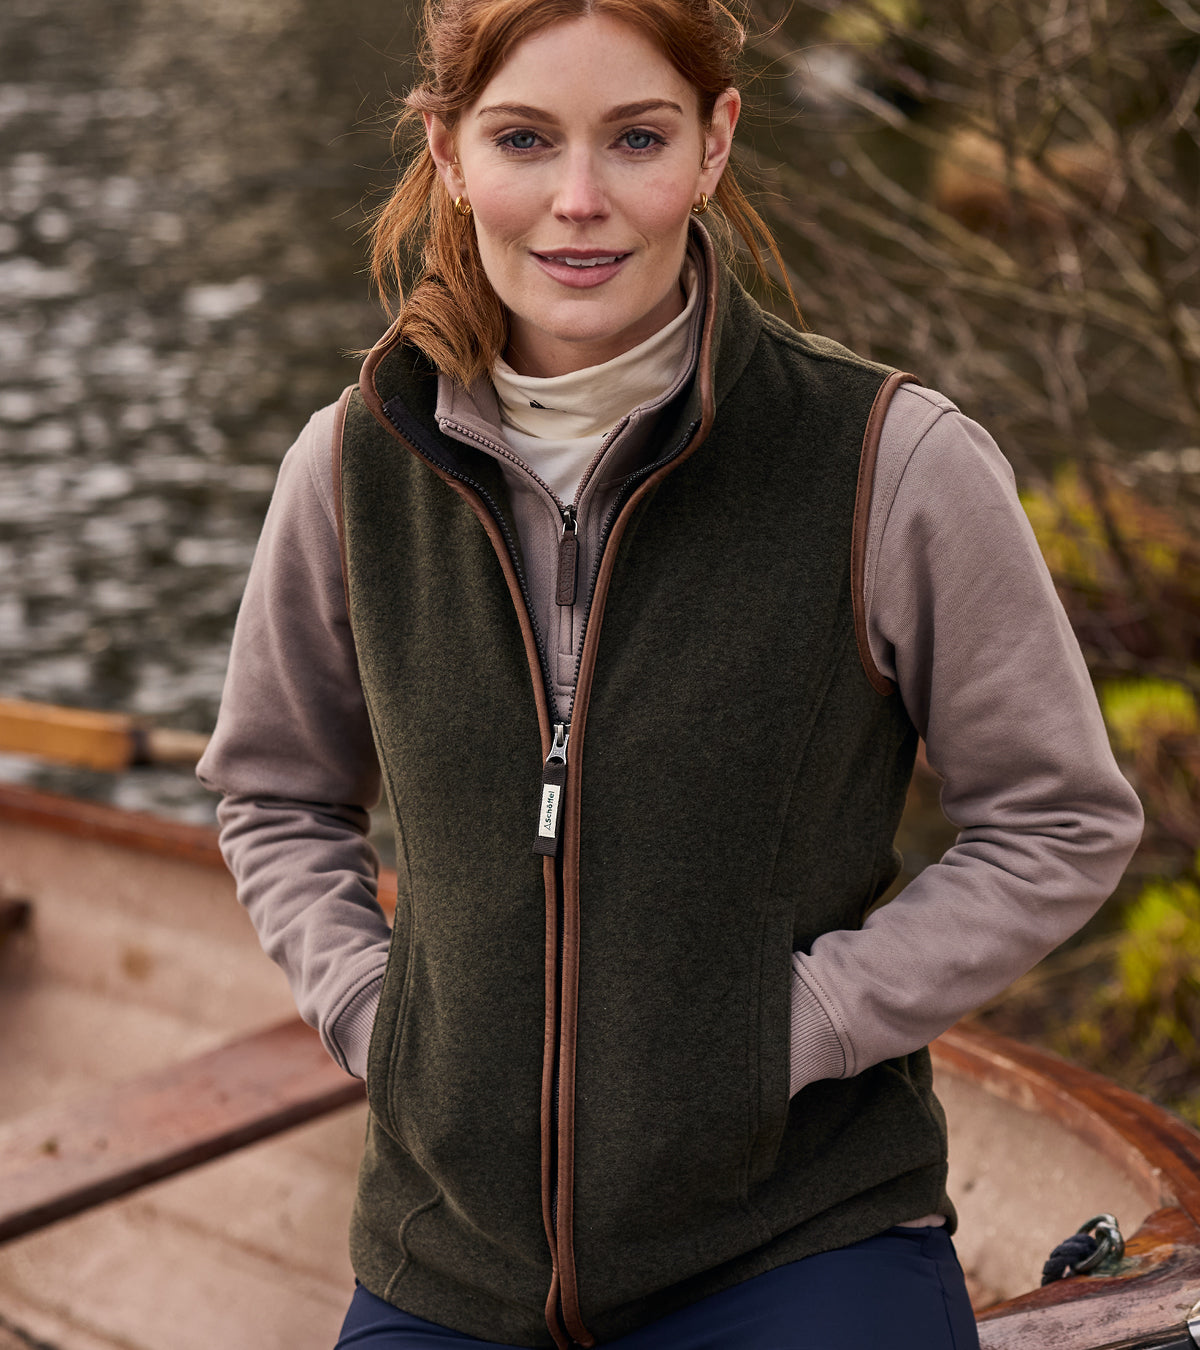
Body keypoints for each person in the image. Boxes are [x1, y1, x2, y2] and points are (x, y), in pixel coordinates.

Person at [196, 0, 1144, 1346]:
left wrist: (802, 1024)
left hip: (800, 1234)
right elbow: (276, 790)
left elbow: (1060, 818)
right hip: (446, 1262)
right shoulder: (351, 467)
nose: (579, 202)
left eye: (636, 138)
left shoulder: (892, 460)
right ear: (449, 149)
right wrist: (378, 1013)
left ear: (714, 144)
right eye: (525, 138)